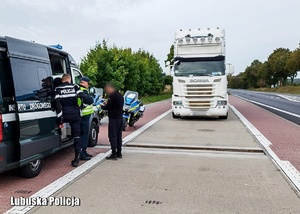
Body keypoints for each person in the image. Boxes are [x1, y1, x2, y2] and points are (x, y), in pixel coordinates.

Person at [55, 74, 93, 167]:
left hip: (65, 114)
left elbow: (57, 104)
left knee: (59, 131)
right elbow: (82, 95)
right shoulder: (74, 86)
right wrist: (90, 99)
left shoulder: (57, 89)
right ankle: (76, 159)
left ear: (62, 80)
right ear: (69, 79)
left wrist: (60, 120)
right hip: (75, 115)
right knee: (77, 136)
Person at [102, 82, 124, 160]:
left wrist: (102, 106)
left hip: (113, 119)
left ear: (110, 88)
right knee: (119, 136)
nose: (106, 91)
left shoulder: (112, 96)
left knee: (112, 136)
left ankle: (114, 153)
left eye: (107, 89)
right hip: (120, 118)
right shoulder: (120, 96)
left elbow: (108, 106)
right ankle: (119, 153)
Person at [78, 77, 94, 159]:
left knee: (84, 134)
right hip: (84, 115)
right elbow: (90, 100)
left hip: (83, 115)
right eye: (88, 83)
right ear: (84, 82)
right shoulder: (82, 91)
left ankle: (84, 151)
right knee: (84, 134)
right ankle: (82, 153)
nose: (88, 85)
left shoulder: (81, 90)